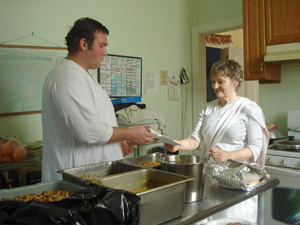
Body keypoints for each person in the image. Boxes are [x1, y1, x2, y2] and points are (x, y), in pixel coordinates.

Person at [42, 17, 157, 182]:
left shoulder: (83, 76)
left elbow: (98, 121)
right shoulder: (67, 77)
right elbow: (88, 131)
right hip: (75, 180)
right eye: (101, 46)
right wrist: (130, 132)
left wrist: (119, 139)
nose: (105, 53)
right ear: (84, 44)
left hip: (94, 176)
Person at [166, 59, 269, 224]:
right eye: (213, 81)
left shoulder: (248, 108)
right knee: (213, 219)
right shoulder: (208, 108)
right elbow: (196, 139)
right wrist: (179, 144)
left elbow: (256, 148)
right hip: (212, 180)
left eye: (221, 81)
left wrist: (228, 155)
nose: (215, 86)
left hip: (238, 181)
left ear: (235, 82)